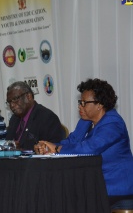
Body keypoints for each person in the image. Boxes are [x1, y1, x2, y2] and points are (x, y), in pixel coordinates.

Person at [36, 78, 133, 209]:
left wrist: (57, 149)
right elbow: (71, 142)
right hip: (95, 187)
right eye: (79, 102)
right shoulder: (86, 120)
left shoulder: (113, 123)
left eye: (84, 103)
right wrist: (48, 147)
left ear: (99, 105)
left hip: (116, 189)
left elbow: (90, 149)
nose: (79, 106)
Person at [5, 81, 64, 150]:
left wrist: (20, 151)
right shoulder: (14, 119)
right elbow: (8, 144)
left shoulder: (47, 118)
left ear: (29, 96)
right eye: (9, 102)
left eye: (15, 99)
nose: (12, 105)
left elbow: (51, 149)